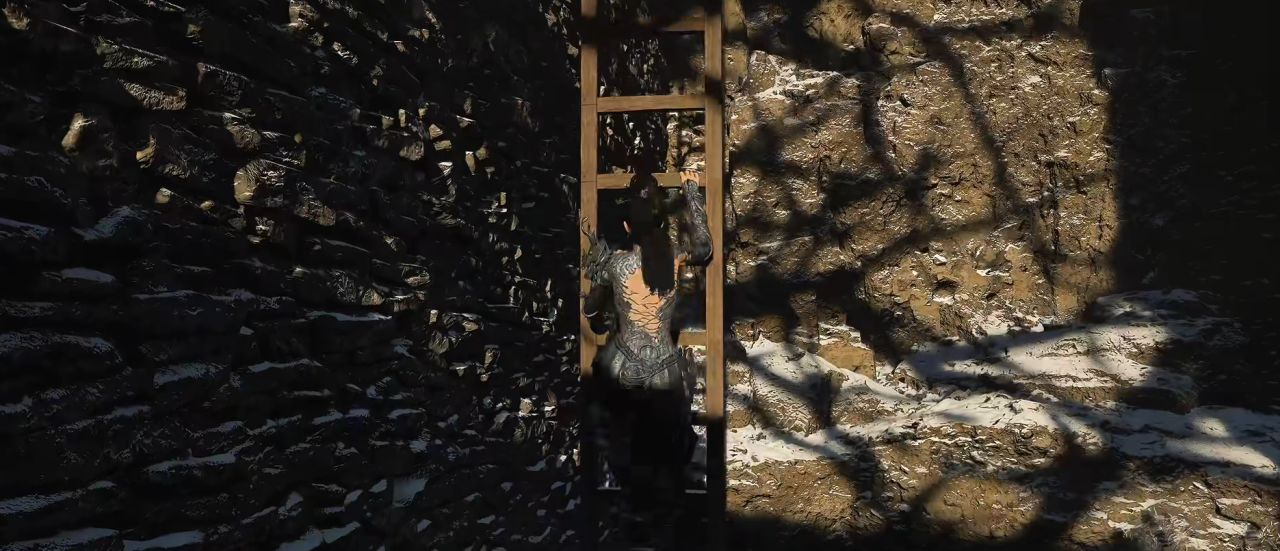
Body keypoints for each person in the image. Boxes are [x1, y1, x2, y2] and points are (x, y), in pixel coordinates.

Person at [582, 168, 712, 537]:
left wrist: (598, 284)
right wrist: (691, 190)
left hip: (624, 366)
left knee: (623, 450)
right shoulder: (674, 258)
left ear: (627, 227)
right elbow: (705, 247)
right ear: (660, 222)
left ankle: (629, 521)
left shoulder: (616, 264)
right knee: (668, 457)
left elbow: (591, 311)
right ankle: (665, 525)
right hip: (665, 370)